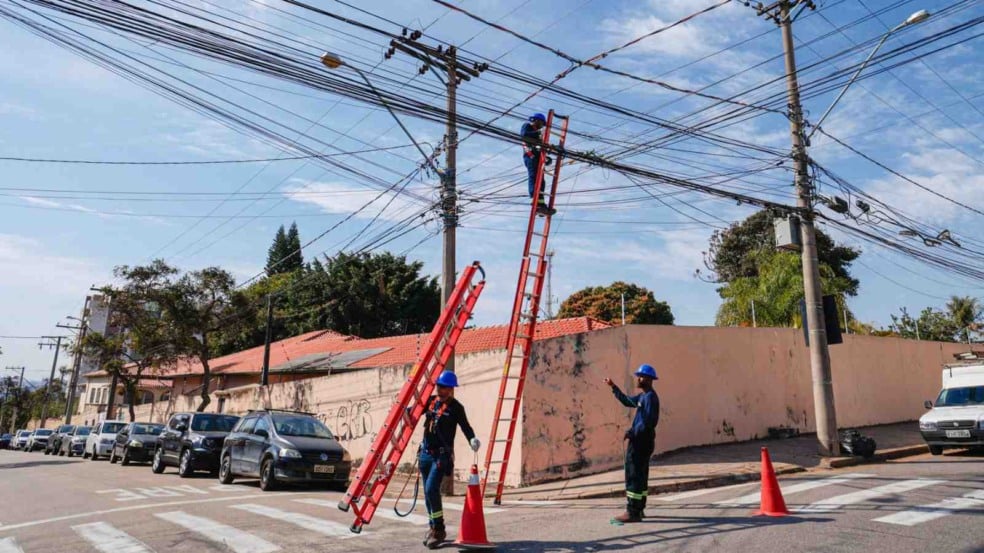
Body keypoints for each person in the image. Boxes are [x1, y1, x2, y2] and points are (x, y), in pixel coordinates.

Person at [419, 370, 481, 549]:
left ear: (452, 389)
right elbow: (414, 413)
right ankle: (433, 527)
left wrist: (472, 439)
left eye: (445, 388)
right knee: (428, 495)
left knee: (432, 489)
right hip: (425, 454)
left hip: (441, 455)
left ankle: (439, 529)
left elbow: (466, 427)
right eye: (439, 386)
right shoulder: (431, 402)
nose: (441, 390)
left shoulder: (456, 408)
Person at [604, 364, 660, 523]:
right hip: (642, 441)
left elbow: (649, 422)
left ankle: (632, 511)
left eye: (641, 376)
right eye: (639, 376)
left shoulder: (650, 398)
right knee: (641, 475)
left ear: (649, 379)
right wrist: (613, 387)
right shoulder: (644, 397)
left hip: (641, 442)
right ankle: (640, 509)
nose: (638, 379)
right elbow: (627, 401)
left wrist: (632, 433)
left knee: (634, 475)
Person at [520, 112, 556, 216]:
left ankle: (541, 205)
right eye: (541, 123)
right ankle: (534, 200)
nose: (542, 126)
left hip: (537, 158)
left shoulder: (537, 134)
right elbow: (524, 135)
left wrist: (547, 155)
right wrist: (539, 133)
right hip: (530, 157)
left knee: (541, 181)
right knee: (533, 177)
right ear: (535, 120)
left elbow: (541, 147)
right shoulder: (527, 126)